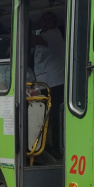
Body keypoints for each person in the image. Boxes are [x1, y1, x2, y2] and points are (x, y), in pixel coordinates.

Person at [31, 11, 65, 155]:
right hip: (45, 83)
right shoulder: (44, 34)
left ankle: (55, 148)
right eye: (43, 19)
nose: (45, 21)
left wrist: (22, 31)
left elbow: (35, 40)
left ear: (54, 23)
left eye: (49, 19)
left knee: (52, 116)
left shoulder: (54, 34)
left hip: (55, 83)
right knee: (45, 116)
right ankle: (45, 146)